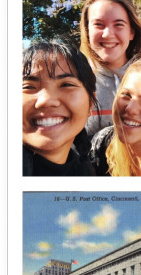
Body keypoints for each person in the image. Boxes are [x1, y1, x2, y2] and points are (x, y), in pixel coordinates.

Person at [80, 0, 141, 137]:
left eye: (118, 24)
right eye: (98, 24)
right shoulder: (75, 80)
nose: (108, 34)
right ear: (87, 31)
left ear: (131, 32)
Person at [22, 38, 98, 176]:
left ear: (91, 103)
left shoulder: (86, 172)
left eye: (66, 85)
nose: (46, 100)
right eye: (28, 87)